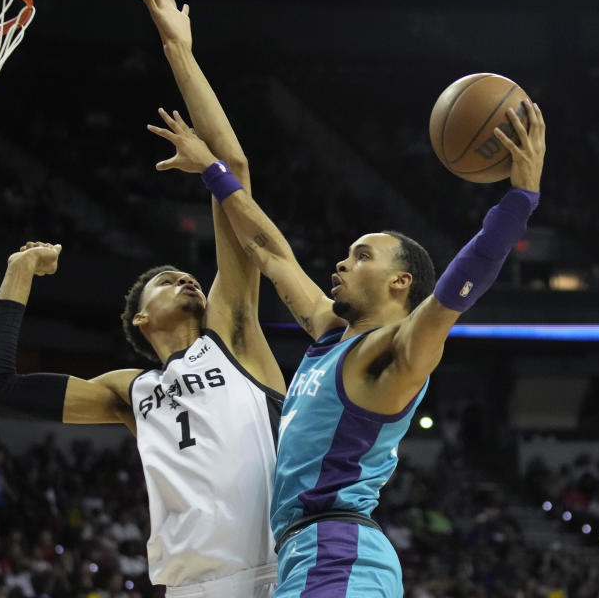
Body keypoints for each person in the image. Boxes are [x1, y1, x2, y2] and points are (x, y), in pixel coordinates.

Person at [0, 0, 284, 596]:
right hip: (189, 586)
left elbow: (238, 171)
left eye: (186, 274)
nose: (187, 278)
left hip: (276, 572)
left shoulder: (232, 333)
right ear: (141, 319)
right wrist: (16, 275)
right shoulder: (128, 392)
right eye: (166, 281)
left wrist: (180, 52)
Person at [147, 100, 546, 595]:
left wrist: (519, 201)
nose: (340, 264)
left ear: (401, 282)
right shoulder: (332, 336)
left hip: (338, 555)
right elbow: (269, 251)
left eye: (361, 256)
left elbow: (456, 289)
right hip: (307, 554)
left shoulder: (392, 355)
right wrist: (213, 171)